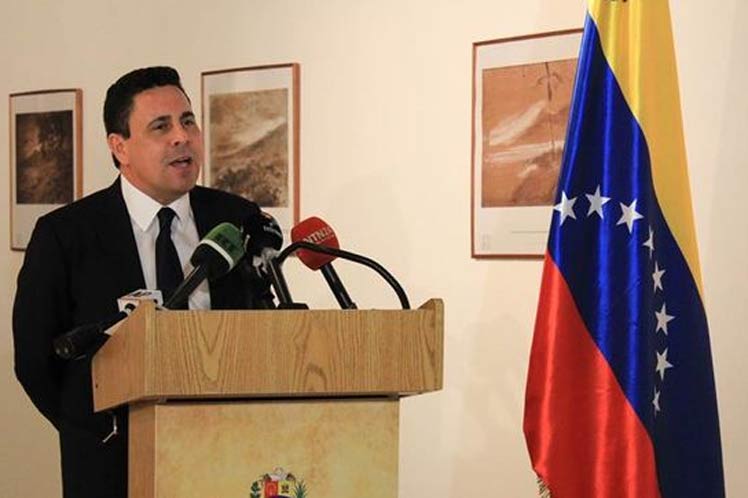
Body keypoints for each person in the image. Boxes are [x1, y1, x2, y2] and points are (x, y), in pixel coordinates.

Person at [12, 66, 270, 498]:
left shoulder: (238, 219)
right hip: (112, 468)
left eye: (188, 121)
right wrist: (95, 427)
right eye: (161, 126)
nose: (182, 137)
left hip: (227, 459)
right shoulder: (65, 235)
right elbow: (36, 363)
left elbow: (264, 333)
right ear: (120, 147)